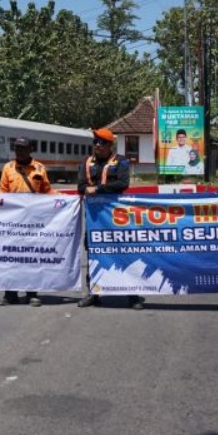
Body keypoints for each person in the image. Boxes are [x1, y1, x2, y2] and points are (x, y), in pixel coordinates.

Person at [77, 128, 142, 309]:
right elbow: (81, 186)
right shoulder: (87, 162)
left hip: (117, 217)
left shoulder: (120, 162)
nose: (98, 145)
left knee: (125, 253)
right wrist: (86, 189)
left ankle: (133, 295)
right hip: (95, 218)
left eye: (102, 143)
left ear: (110, 145)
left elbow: (123, 183)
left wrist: (97, 189)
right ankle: (94, 293)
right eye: (95, 142)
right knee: (94, 254)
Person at [0, 137, 52, 307]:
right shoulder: (8, 168)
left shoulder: (40, 168)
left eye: (22, 148)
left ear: (30, 149)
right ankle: (10, 294)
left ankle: (32, 294)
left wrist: (67, 199)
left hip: (33, 222)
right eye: (16, 148)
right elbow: (3, 192)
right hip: (13, 221)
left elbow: (47, 191)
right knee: (11, 257)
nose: (19, 151)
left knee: (32, 257)